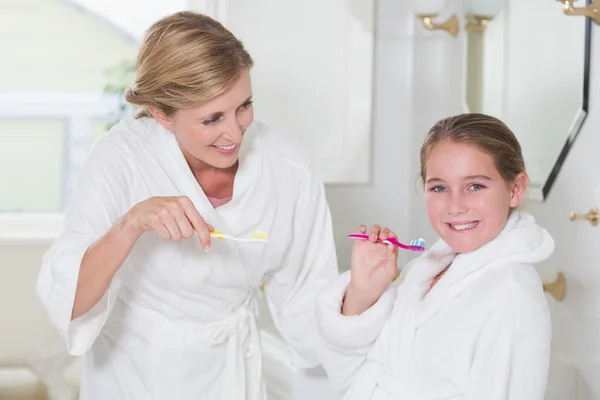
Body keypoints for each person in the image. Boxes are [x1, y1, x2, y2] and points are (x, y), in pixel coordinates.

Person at [35, 11, 338, 400]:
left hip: (232, 371)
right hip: (134, 372)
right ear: (162, 115)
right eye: (212, 119)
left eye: (243, 105)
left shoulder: (287, 168)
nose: (235, 132)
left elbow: (309, 304)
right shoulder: (121, 159)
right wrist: (132, 223)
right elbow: (71, 302)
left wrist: (364, 289)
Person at [316, 113, 554, 399]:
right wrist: (362, 294)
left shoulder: (512, 298)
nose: (455, 206)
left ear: (515, 189)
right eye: (439, 187)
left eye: (475, 186)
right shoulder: (424, 272)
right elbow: (351, 378)